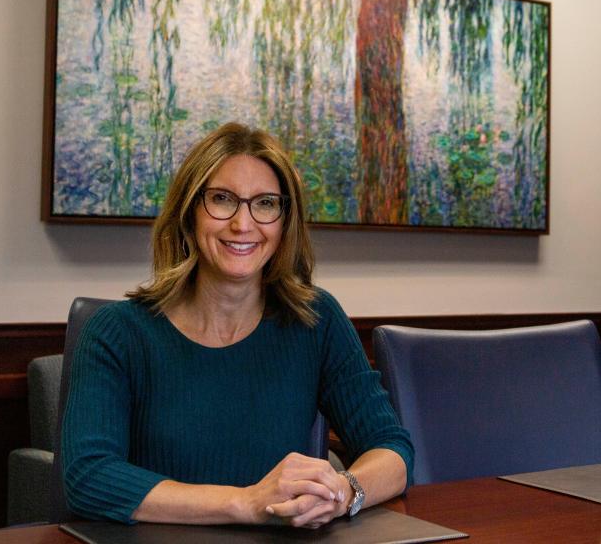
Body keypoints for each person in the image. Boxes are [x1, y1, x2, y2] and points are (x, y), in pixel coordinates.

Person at [61, 122, 414, 529]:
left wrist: (342, 493)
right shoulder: (116, 332)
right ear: (189, 212)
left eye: (265, 203)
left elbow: (394, 451)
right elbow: (88, 477)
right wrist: (244, 503)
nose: (243, 224)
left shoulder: (315, 320)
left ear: (284, 222)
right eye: (222, 199)